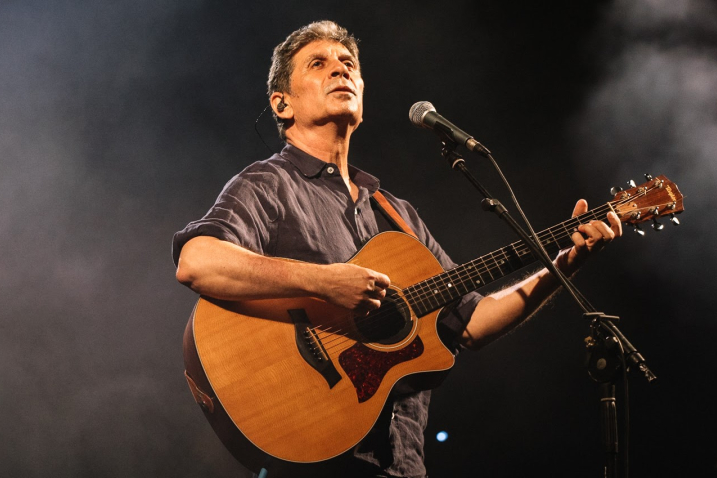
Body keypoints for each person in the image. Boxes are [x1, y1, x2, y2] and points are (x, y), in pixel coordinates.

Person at [172, 20, 622, 478]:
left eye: (349, 64)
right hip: (316, 453)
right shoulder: (267, 183)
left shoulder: (396, 213)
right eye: (318, 64)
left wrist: (564, 263)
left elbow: (472, 323)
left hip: (402, 464)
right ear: (281, 103)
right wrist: (325, 283)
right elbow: (197, 261)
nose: (340, 70)